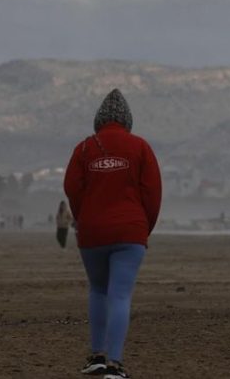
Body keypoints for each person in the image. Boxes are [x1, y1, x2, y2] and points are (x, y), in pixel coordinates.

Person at [64, 88, 162, 379]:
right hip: (131, 231)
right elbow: (153, 193)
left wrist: (83, 217)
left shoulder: (84, 148)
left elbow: (72, 188)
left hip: (92, 232)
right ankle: (115, 365)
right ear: (128, 120)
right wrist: (144, 227)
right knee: (120, 295)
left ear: (98, 120)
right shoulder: (140, 147)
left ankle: (96, 355)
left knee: (98, 290)